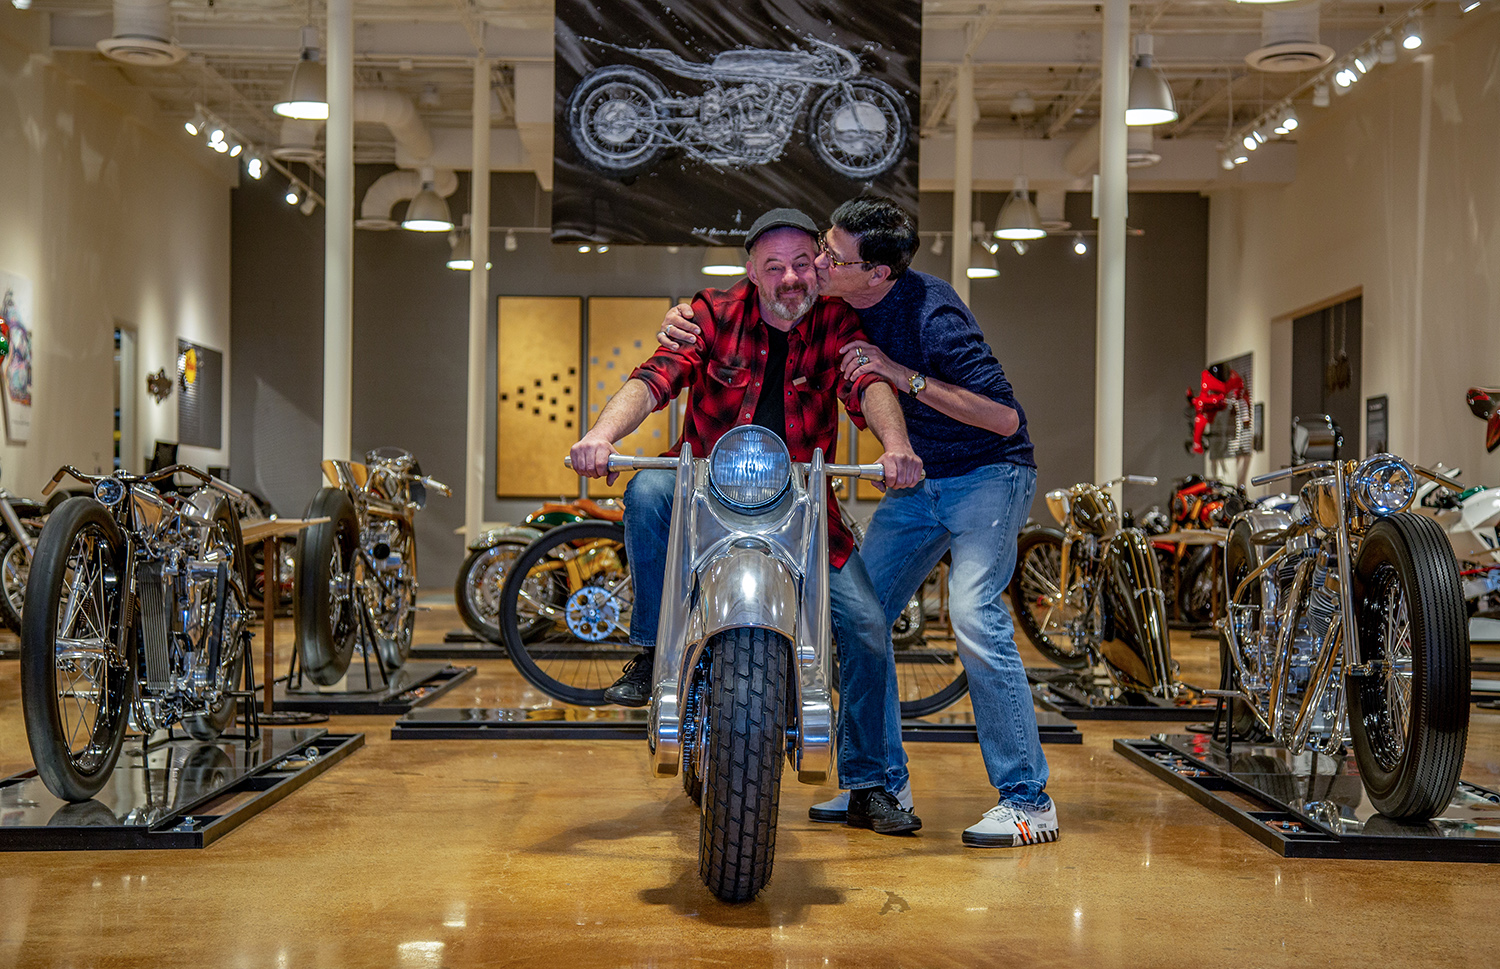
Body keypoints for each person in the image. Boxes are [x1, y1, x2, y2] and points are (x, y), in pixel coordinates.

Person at [658, 196, 1056, 849]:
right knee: (859, 618)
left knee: (975, 615)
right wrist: (679, 319)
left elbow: (1006, 420)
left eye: (832, 259)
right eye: (822, 247)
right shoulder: (827, 306)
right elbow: (743, 302)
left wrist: (905, 376)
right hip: (918, 483)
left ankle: (1027, 799)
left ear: (877, 275)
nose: (815, 264)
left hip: (986, 475)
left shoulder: (935, 315)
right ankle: (880, 781)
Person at [570, 207, 925, 835]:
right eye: (774, 267)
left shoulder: (837, 322)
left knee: (869, 627)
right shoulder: (711, 313)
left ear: (817, 262)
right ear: (751, 272)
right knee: (650, 490)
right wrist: (600, 434)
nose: (790, 278)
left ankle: (871, 783)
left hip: (802, 510)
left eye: (800, 264)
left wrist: (895, 445)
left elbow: (868, 382)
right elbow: (653, 379)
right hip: (706, 499)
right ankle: (651, 650)